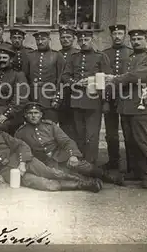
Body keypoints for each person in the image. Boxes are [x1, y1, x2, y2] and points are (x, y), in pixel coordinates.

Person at [0, 115, 102, 192]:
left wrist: (22, 163)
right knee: (44, 184)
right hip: (6, 171)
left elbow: (22, 145)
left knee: (52, 173)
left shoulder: (3, 136)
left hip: (25, 161)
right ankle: (80, 185)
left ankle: (86, 182)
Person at [15, 102, 124, 185]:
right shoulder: (21, 132)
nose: (33, 116)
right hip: (45, 163)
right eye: (30, 113)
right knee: (65, 175)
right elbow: (21, 150)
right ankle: (90, 183)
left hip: (60, 156)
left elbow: (66, 141)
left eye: (36, 113)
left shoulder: (50, 126)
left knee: (84, 167)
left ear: (41, 114)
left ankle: (107, 177)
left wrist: (73, 155)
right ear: (25, 115)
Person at [106, 29, 147, 189]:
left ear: (146, 39)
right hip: (125, 105)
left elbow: (138, 76)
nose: (136, 42)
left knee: (141, 141)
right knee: (129, 140)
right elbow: (125, 79)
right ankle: (133, 171)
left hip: (141, 104)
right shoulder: (128, 59)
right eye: (134, 39)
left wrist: (116, 79)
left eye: (139, 39)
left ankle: (146, 175)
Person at [61, 30, 112, 164]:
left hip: (94, 101)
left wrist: (106, 101)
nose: (83, 43)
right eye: (81, 41)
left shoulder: (101, 57)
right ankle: (81, 164)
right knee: (79, 134)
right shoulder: (74, 57)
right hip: (76, 100)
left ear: (92, 40)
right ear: (77, 42)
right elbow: (65, 76)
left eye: (86, 40)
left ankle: (91, 164)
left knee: (92, 135)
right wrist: (75, 83)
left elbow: (108, 80)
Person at [101, 24, 133, 170]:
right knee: (111, 133)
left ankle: (131, 165)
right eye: (115, 34)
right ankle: (113, 161)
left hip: (127, 98)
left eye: (120, 33)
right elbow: (103, 79)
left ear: (125, 35)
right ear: (111, 36)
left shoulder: (131, 53)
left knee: (128, 132)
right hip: (111, 98)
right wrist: (105, 100)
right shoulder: (105, 53)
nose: (117, 36)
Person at [23, 31, 65, 122]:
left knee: (49, 125)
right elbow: (25, 78)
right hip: (33, 97)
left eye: (43, 39)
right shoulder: (29, 55)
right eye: (38, 40)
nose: (40, 42)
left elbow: (61, 79)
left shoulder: (57, 55)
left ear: (49, 40)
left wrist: (57, 98)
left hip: (50, 97)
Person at [54, 25, 79, 140]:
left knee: (75, 124)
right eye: (62, 37)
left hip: (74, 93)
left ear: (73, 38)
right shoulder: (56, 54)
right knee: (63, 124)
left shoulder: (78, 54)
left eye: (68, 37)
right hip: (59, 93)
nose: (65, 39)